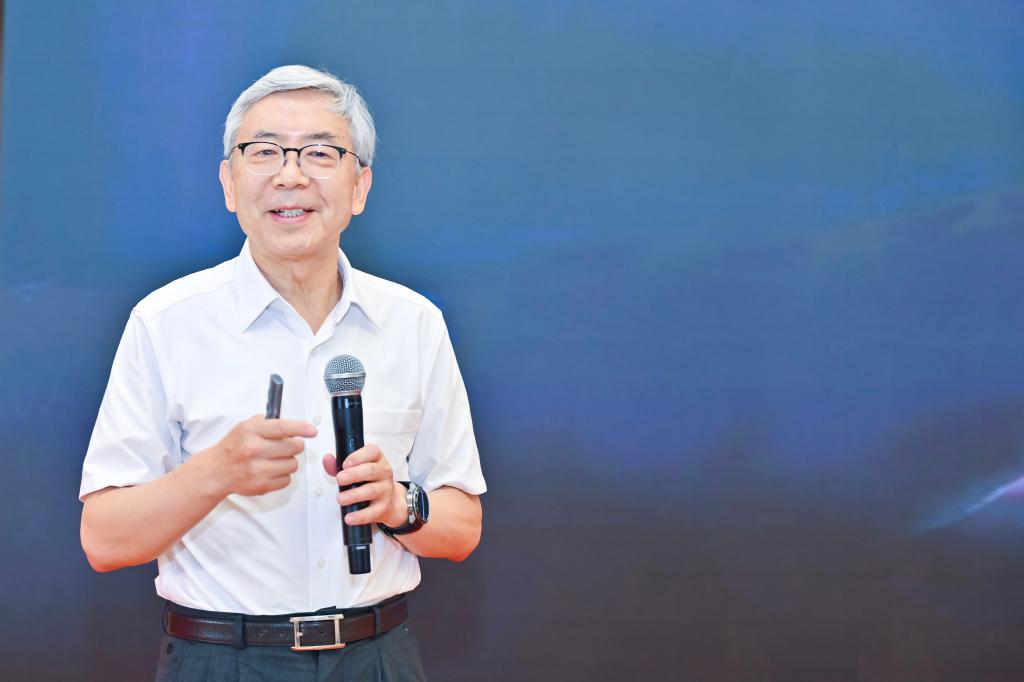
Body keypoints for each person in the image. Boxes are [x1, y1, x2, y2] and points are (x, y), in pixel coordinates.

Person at [79, 64, 485, 681]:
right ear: (229, 183)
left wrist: (398, 503)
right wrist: (217, 471)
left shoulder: (414, 323)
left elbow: (462, 528)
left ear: (359, 187)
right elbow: (104, 540)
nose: (290, 175)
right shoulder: (165, 322)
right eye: (264, 151)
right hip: (220, 658)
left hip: (377, 657)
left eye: (319, 153)